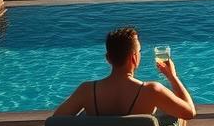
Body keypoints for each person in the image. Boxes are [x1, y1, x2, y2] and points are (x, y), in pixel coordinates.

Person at [53, 26, 196, 119]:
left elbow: (55, 122)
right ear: (134, 57)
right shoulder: (152, 91)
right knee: (175, 117)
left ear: (108, 58)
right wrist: (173, 77)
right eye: (139, 51)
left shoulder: (86, 91)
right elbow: (189, 112)